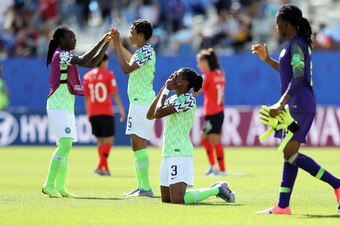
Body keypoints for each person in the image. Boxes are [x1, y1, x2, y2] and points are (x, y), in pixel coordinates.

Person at [252, 4, 340, 214]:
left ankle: (337, 184)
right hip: (295, 105)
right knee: (288, 154)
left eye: (278, 24)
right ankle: (283, 206)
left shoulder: (298, 45)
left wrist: (281, 103)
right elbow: (288, 72)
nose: (276, 28)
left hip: (299, 105)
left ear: (286, 23)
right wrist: (267, 60)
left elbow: (299, 76)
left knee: (290, 154)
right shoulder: (292, 45)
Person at [146, 67, 235, 204]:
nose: (173, 77)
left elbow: (158, 113)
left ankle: (217, 189)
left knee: (178, 200)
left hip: (180, 152)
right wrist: (164, 88)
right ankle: (216, 189)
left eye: (177, 76)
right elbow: (150, 114)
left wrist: (166, 90)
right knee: (167, 199)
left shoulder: (188, 99)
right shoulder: (173, 98)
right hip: (168, 151)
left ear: (185, 82)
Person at [42, 25, 112, 198]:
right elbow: (83, 60)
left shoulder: (68, 55)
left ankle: (60, 187)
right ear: (61, 40)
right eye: (71, 37)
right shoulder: (61, 54)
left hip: (66, 106)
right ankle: (48, 184)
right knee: (65, 144)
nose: (75, 40)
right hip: (58, 105)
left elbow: (92, 63)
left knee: (67, 146)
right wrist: (101, 41)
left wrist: (106, 44)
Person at [111, 19, 155, 197]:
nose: (130, 34)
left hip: (142, 103)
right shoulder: (142, 51)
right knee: (136, 145)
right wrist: (119, 45)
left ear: (141, 34)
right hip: (139, 102)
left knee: (139, 144)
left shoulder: (146, 51)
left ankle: (145, 188)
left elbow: (126, 69)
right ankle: (141, 186)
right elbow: (131, 61)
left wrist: (116, 45)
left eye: (132, 31)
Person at [83, 54, 125, 176]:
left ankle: (104, 169)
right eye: (106, 61)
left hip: (93, 112)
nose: (107, 64)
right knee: (109, 140)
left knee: (100, 141)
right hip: (106, 111)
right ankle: (100, 165)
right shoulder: (109, 75)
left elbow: (87, 98)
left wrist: (88, 113)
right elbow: (115, 94)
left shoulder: (87, 76)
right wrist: (121, 109)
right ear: (102, 62)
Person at [196, 48, 227, 176]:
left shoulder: (207, 76)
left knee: (215, 141)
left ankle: (222, 170)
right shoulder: (220, 73)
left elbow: (197, 92)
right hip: (218, 111)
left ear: (205, 61)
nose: (198, 65)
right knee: (204, 138)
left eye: (199, 62)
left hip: (213, 113)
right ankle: (214, 166)